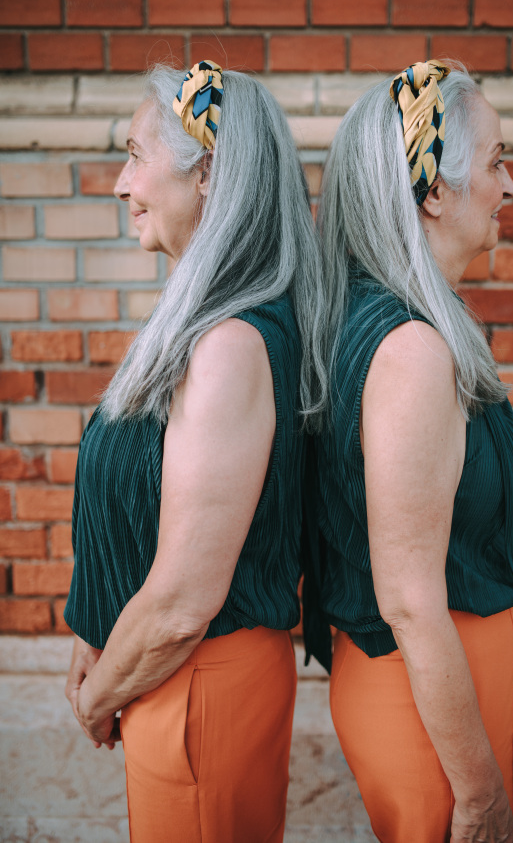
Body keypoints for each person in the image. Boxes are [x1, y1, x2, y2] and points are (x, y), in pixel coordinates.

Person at [63, 60, 327, 843]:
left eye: (137, 155)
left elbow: (182, 603)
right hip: (172, 680)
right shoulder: (201, 325)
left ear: (207, 172)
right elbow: (140, 509)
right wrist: (95, 632)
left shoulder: (230, 347)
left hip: (199, 688)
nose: (120, 182)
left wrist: (98, 694)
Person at [311, 60, 513, 842]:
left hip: (436, 693)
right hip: (426, 714)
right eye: (497, 161)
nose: (509, 187)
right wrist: (479, 794)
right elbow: (411, 598)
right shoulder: (410, 349)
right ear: (434, 192)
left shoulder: (408, 322)